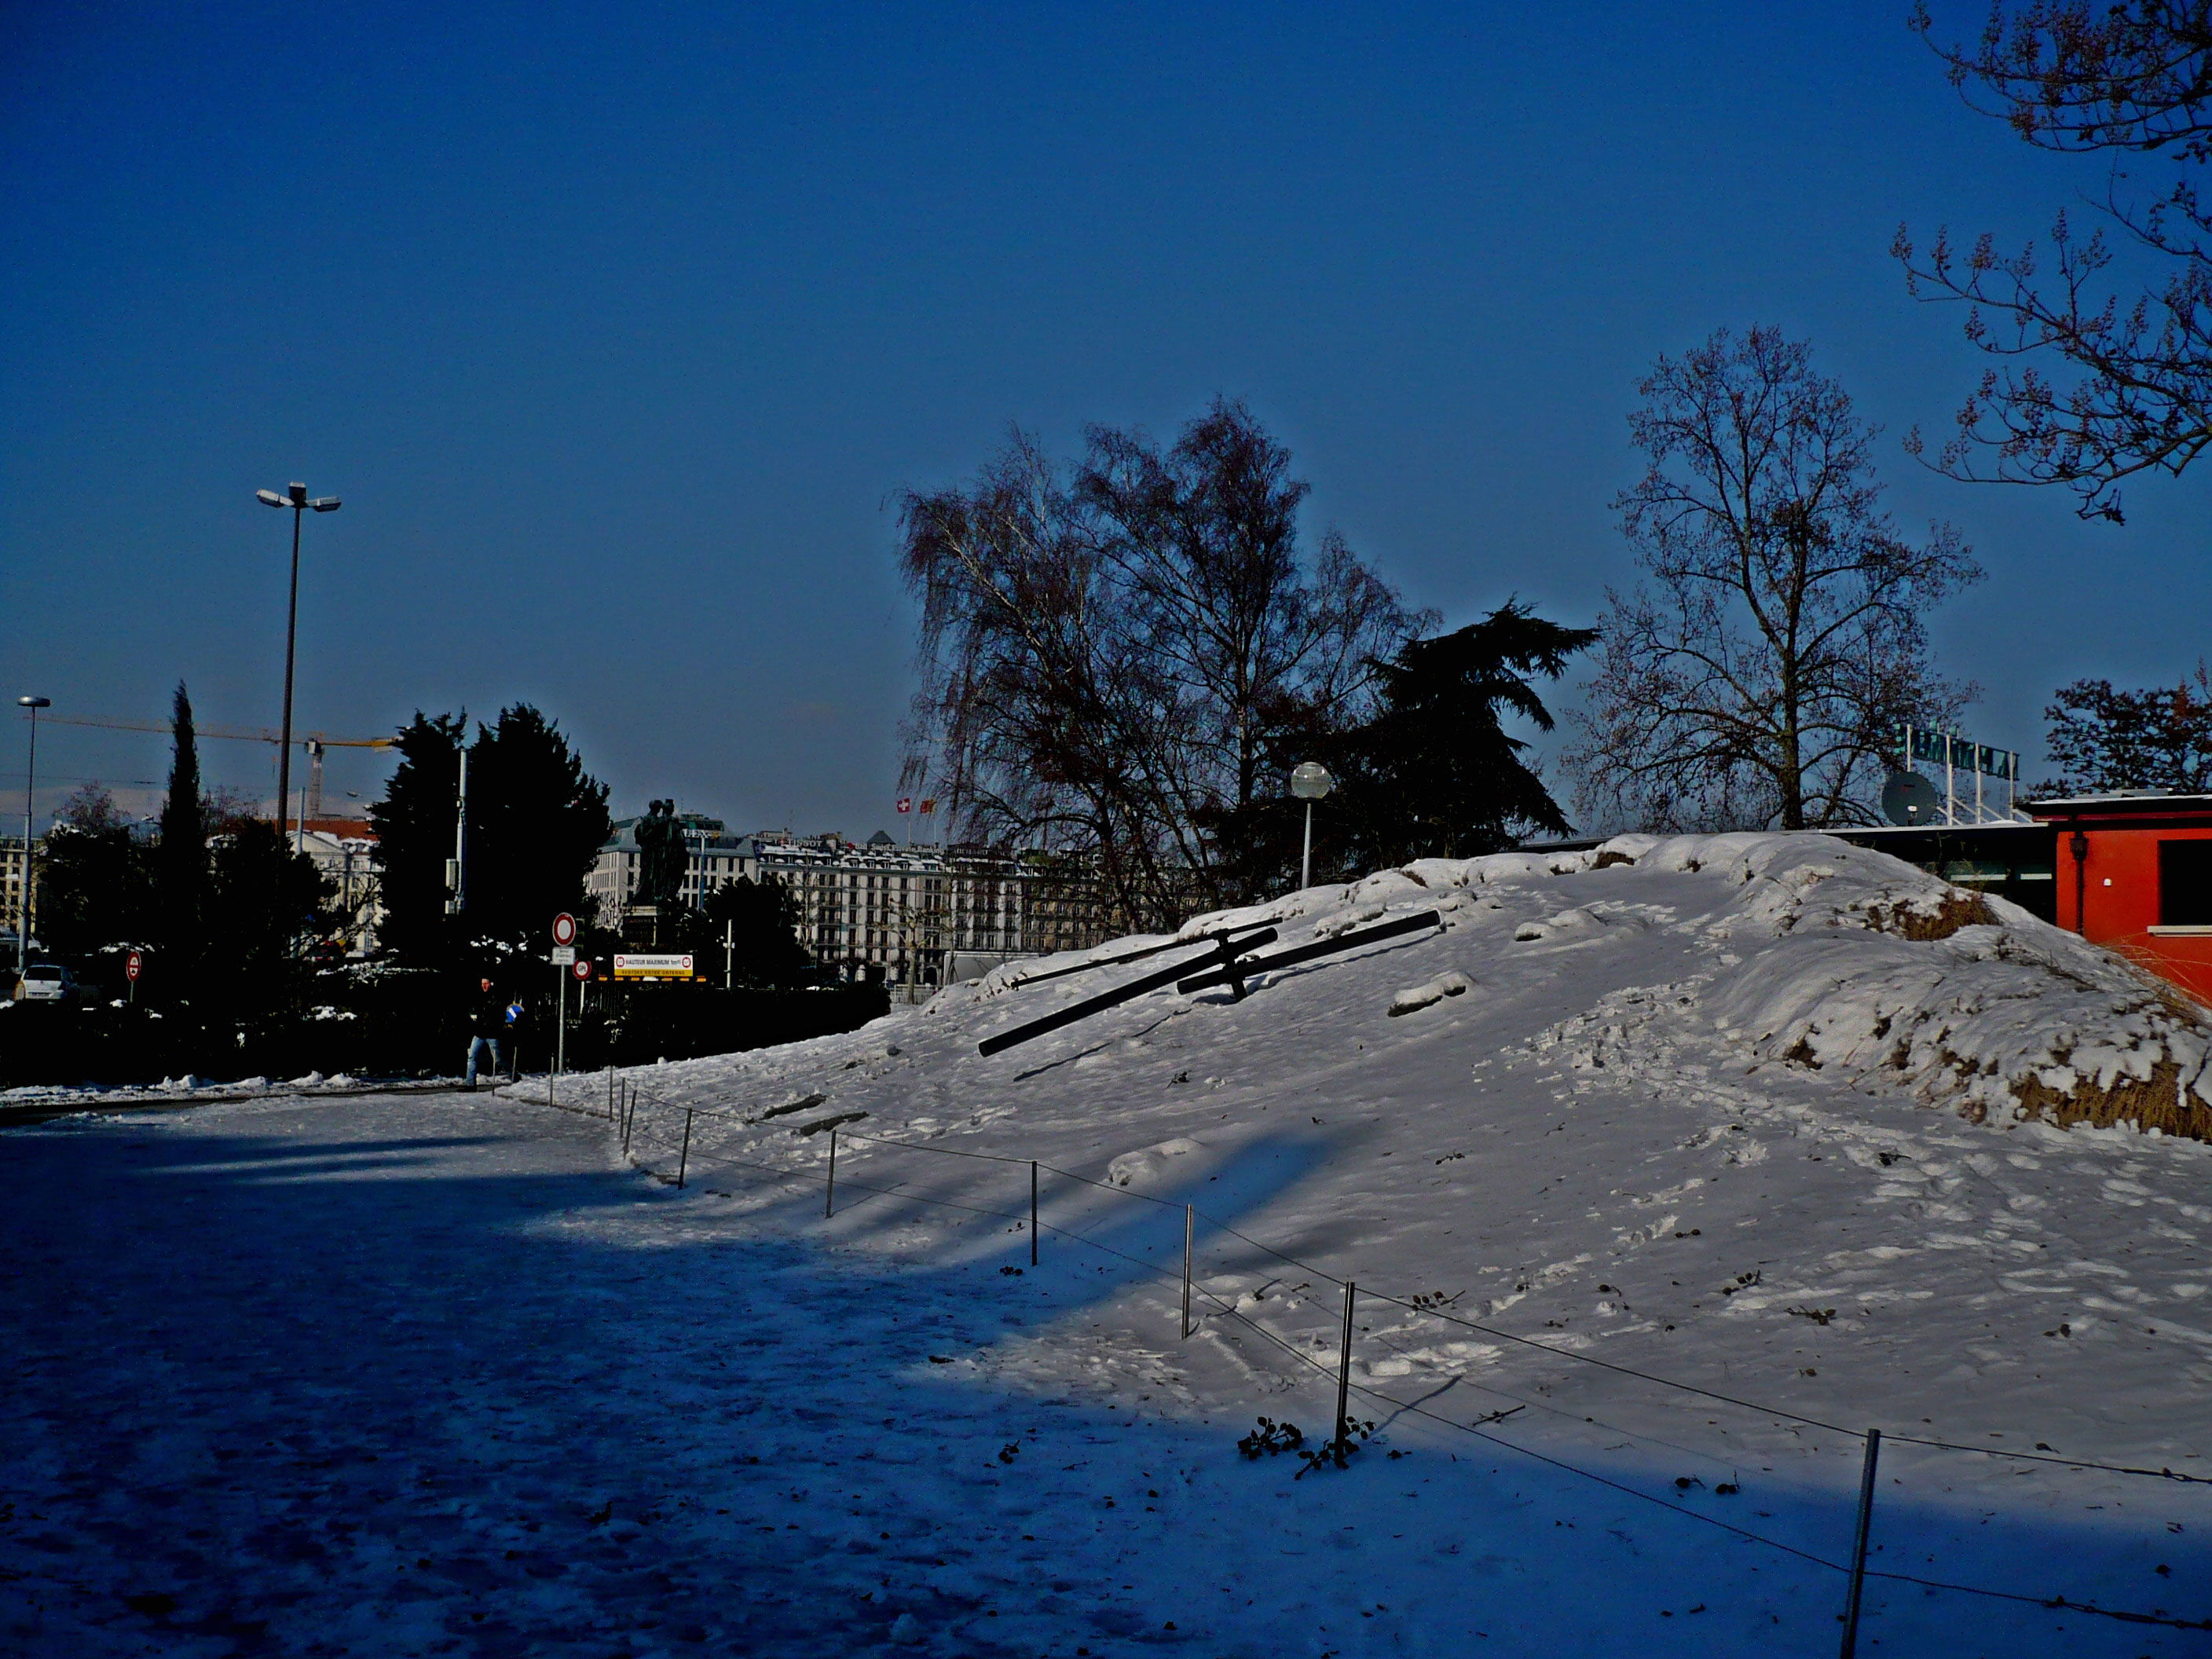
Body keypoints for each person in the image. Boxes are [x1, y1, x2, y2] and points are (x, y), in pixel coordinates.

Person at [464, 976, 508, 1086]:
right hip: (479, 1033)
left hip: (492, 1033)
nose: (484, 986)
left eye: (486, 983)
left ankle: (514, 1076)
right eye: (482, 983)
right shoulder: (479, 996)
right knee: (472, 1057)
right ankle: (470, 1084)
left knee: (499, 1060)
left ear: (491, 984)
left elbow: (500, 1014)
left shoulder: (497, 997)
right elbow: (475, 1011)